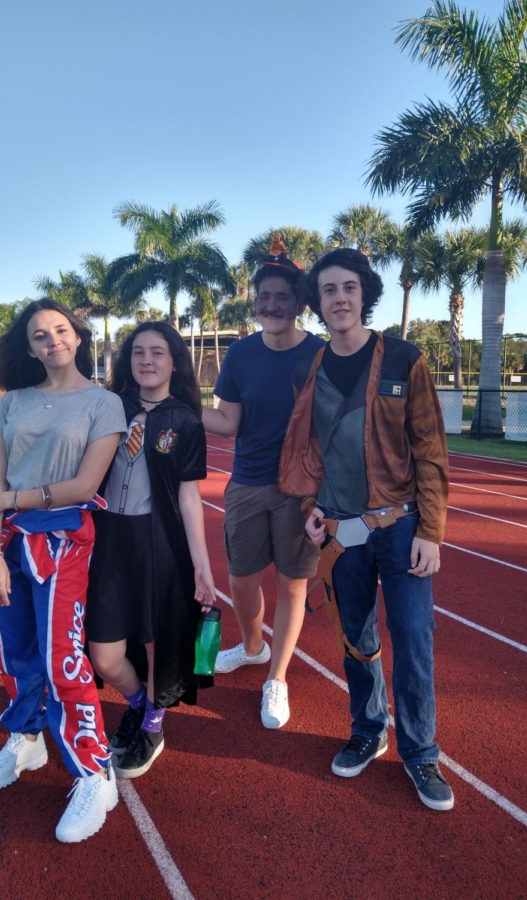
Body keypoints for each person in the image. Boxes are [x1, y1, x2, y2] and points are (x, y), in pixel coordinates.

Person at [278, 248, 454, 811]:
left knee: (412, 638)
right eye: (328, 290)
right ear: (318, 302)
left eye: (348, 287)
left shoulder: (404, 359)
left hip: (400, 526)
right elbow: (309, 446)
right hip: (340, 529)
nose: (339, 298)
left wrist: (431, 528)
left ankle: (421, 752)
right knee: (356, 639)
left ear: (364, 293)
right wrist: (312, 504)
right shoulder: (311, 368)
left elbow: (430, 450)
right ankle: (368, 727)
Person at [0, 298, 127, 843]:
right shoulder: (12, 401)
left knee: (62, 659)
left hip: (63, 541)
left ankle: (95, 770)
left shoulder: (104, 404)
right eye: (39, 335)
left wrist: (11, 499)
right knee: (14, 651)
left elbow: (84, 487)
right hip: (8, 540)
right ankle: (27, 739)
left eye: (60, 330)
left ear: (77, 337)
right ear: (28, 347)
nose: (52, 340)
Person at [202, 238, 324, 729]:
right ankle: (253, 648)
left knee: (293, 586)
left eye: (282, 297)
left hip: (301, 488)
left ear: (298, 303)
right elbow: (228, 422)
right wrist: (170, 404)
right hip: (248, 482)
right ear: (255, 302)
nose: (271, 305)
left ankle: (277, 677)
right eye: (264, 297)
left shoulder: (320, 353)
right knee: (240, 579)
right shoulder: (240, 355)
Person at [86, 322, 216, 779]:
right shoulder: (109, 406)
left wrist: (202, 566)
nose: (147, 360)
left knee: (161, 637)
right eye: (138, 351)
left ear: (174, 361)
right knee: (104, 652)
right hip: (106, 539)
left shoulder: (184, 420)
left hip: (159, 542)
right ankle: (140, 703)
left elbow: (189, 496)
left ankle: (154, 725)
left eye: (157, 352)